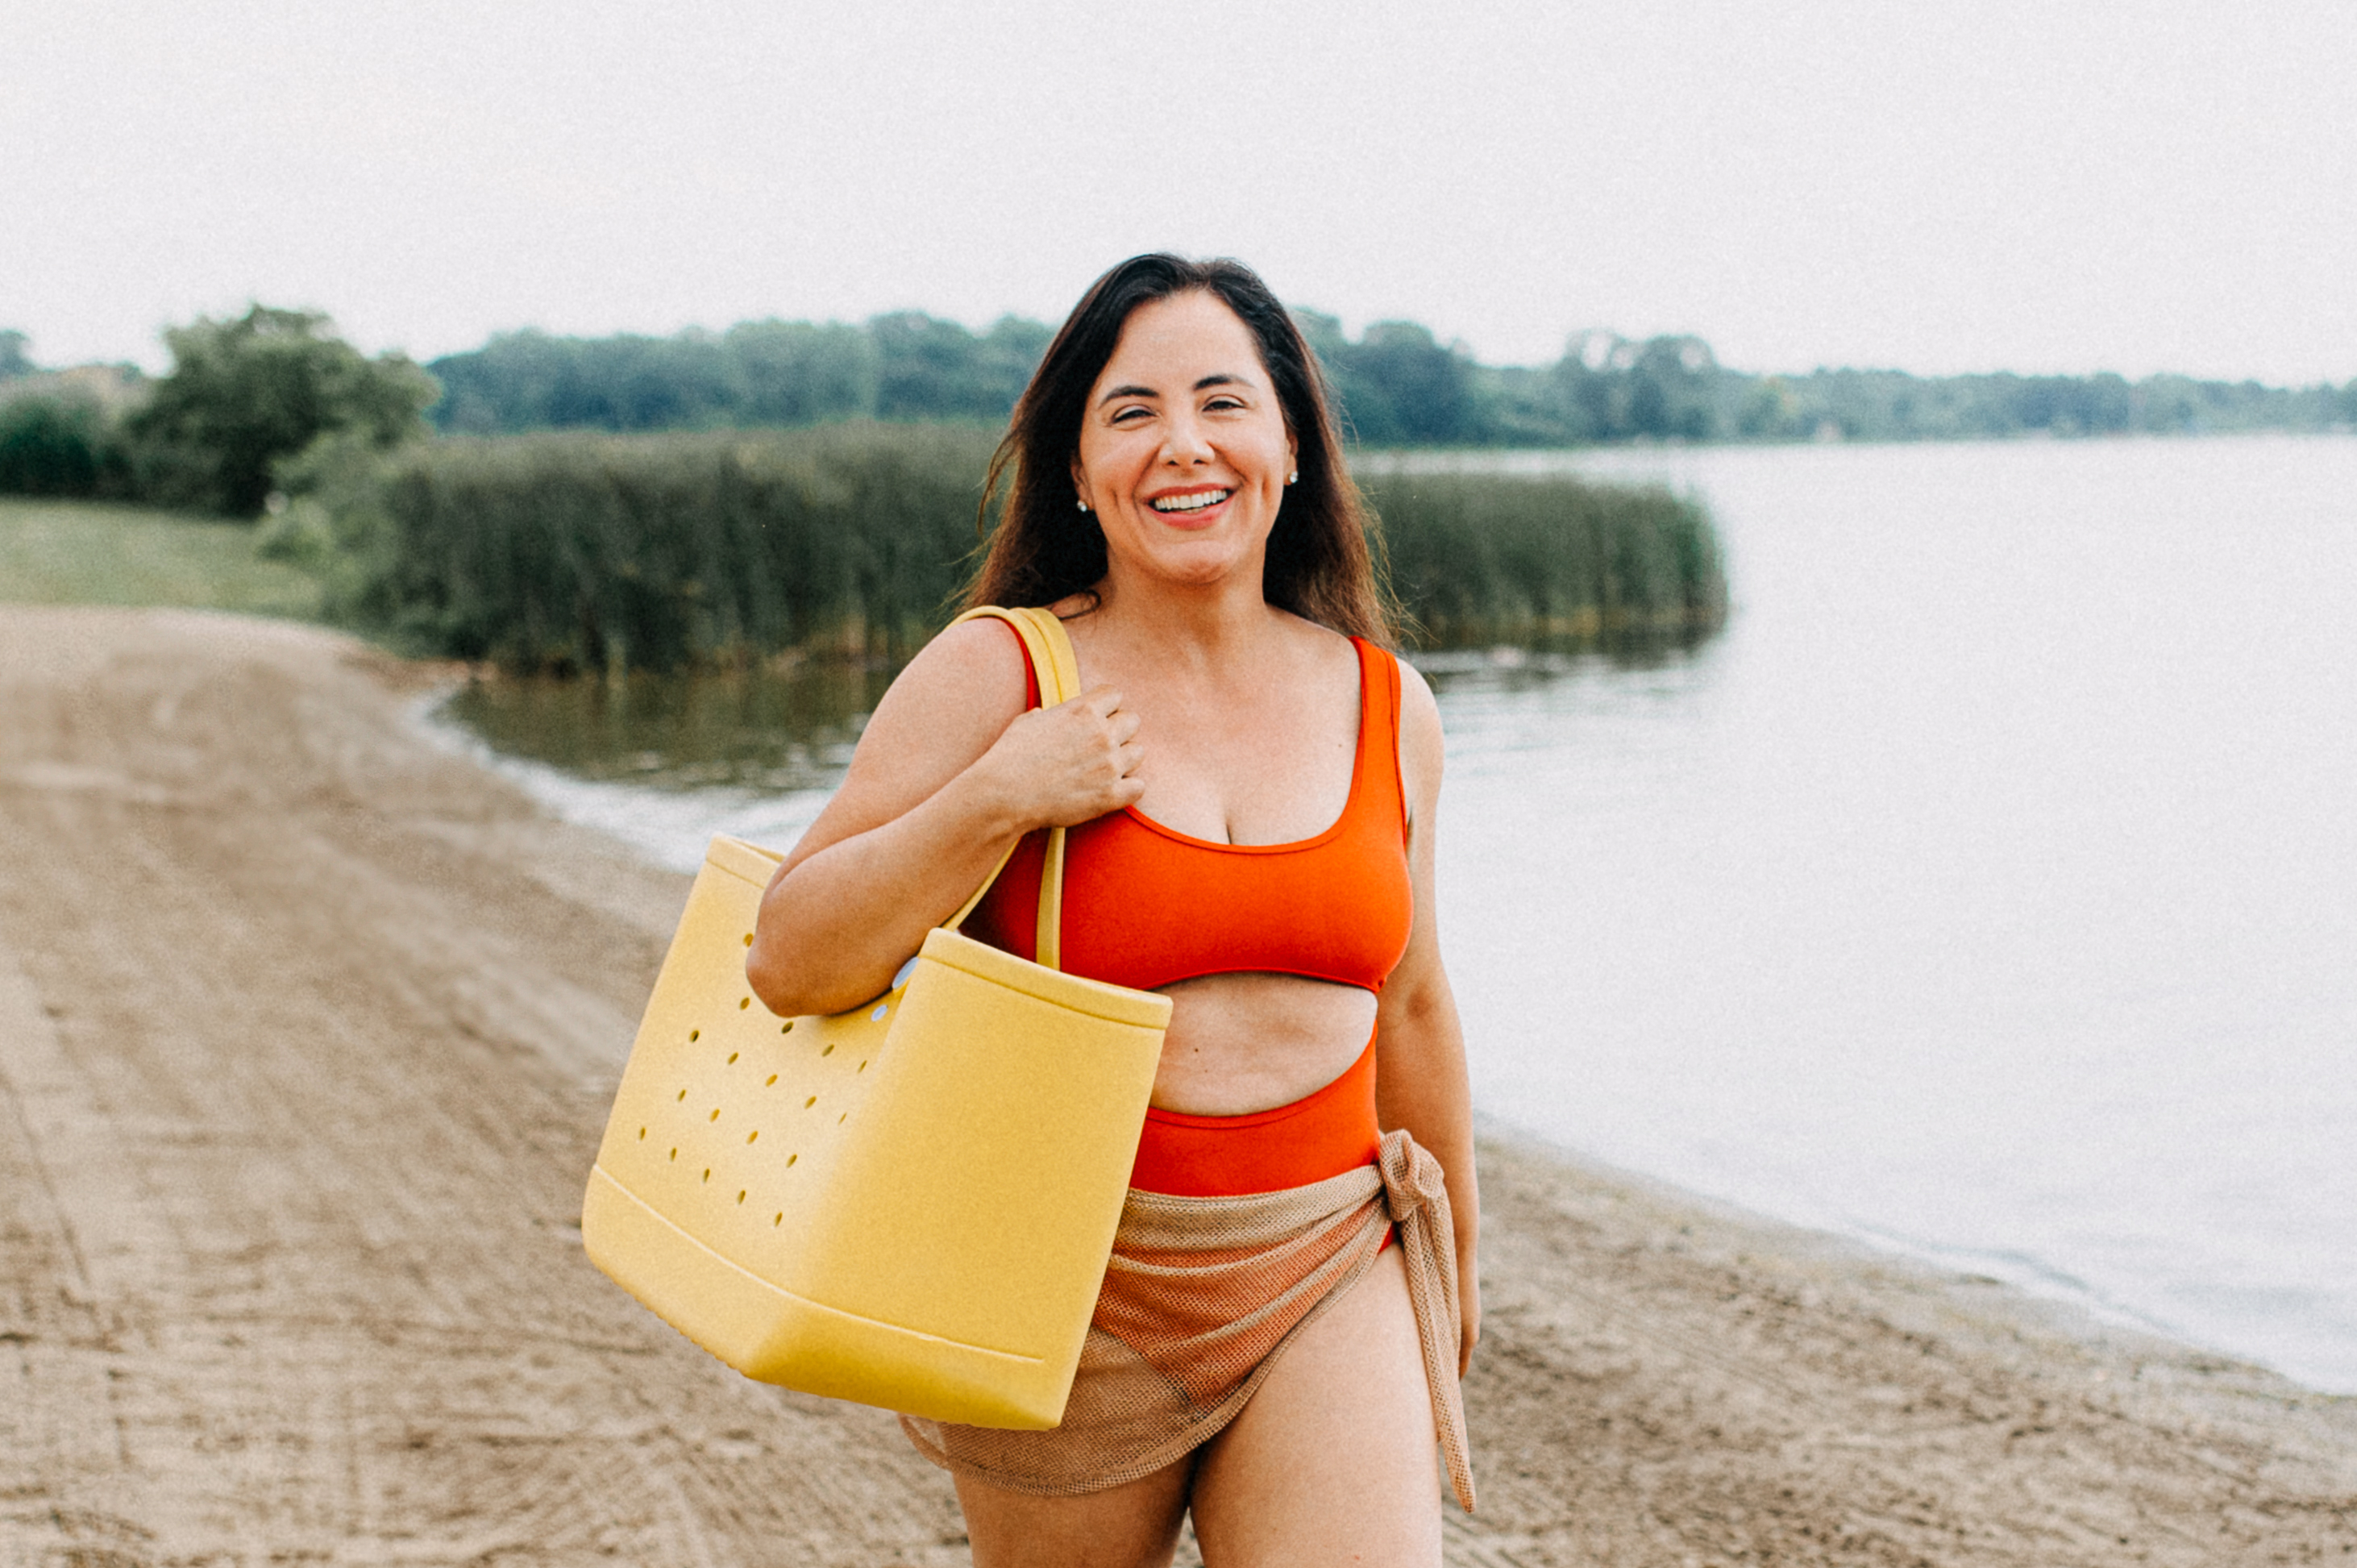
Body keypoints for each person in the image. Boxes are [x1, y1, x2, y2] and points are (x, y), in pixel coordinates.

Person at [746, 255, 1478, 1566]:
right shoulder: (1000, 670)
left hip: (1326, 1251)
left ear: (1293, 445)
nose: (1182, 444)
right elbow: (791, 958)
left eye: (1222, 402)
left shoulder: (1389, 702)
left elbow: (1414, 1003)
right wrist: (997, 797)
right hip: (1064, 1277)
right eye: (1131, 412)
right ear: (1078, 471)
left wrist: (1455, 1269)